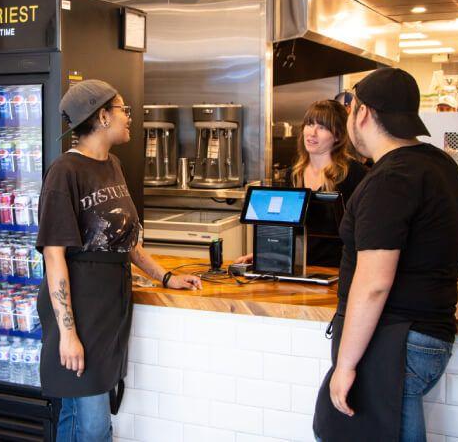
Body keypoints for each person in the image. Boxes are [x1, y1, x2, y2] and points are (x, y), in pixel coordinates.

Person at [36, 79, 202, 442]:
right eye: (122, 109)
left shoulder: (112, 164)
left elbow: (124, 240)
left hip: (110, 308)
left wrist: (165, 276)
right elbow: (54, 254)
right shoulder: (64, 172)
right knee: (94, 425)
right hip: (80, 311)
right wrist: (68, 334)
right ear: (102, 117)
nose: (128, 117)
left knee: (77, 416)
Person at [313, 68, 458, 442]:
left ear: (363, 113)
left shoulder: (390, 179)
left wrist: (346, 365)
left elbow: (374, 283)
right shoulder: (439, 164)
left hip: (395, 341)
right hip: (421, 336)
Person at [237, 99, 367, 267]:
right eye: (310, 124)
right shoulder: (293, 175)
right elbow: (285, 230)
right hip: (299, 267)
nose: (312, 133)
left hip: (339, 269)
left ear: (338, 136)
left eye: (322, 127)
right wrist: (263, 254)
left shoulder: (355, 174)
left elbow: (364, 233)